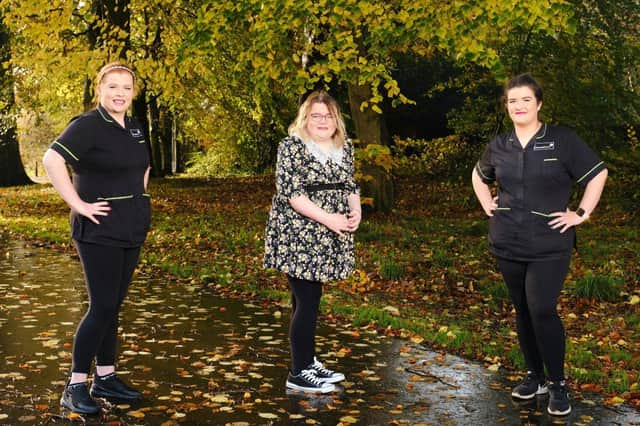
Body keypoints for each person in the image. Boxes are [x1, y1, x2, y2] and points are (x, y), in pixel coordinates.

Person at [472, 74, 607, 416]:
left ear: (539, 104)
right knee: (522, 309)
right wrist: (485, 201)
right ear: (507, 107)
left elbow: (597, 174)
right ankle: (535, 376)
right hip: (507, 239)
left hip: (549, 242)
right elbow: (478, 174)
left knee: (542, 309)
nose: (518, 106)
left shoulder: (562, 140)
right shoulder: (499, 144)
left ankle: (558, 383)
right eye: (512, 101)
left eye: (525, 100)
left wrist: (580, 213)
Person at [42, 62, 151, 414]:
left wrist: (139, 199)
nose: (120, 93)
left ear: (133, 93)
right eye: (113, 87)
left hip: (131, 227)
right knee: (101, 306)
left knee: (113, 306)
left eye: (126, 88)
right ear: (100, 89)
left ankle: (105, 377)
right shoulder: (88, 125)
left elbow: (143, 168)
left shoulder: (134, 126)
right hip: (99, 230)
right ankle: (74, 386)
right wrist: (78, 204)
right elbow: (51, 159)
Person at [264, 91, 361, 393]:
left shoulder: (344, 147)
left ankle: (307, 360)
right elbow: (293, 195)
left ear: (336, 119)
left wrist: (356, 209)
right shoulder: (291, 146)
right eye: (315, 115)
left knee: (304, 300)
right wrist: (330, 219)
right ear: (304, 118)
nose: (322, 121)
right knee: (308, 301)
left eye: (328, 115)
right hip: (298, 232)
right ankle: (298, 372)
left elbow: (349, 184)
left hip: (328, 233)